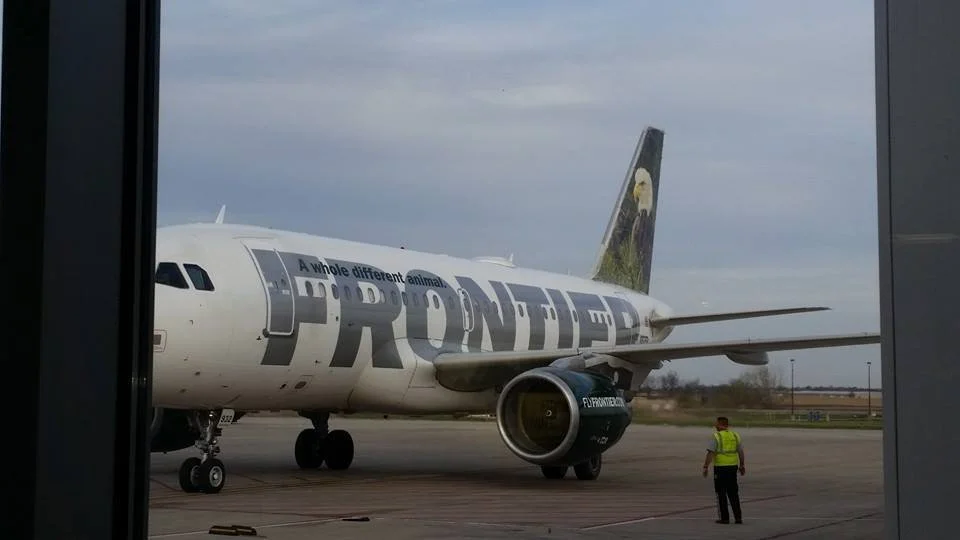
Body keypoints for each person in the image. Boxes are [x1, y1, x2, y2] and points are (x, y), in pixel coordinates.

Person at [702, 416, 745, 524]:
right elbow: (740, 452)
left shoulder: (716, 436)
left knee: (721, 493)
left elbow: (710, 453)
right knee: (733, 493)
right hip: (732, 467)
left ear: (721, 424)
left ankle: (724, 518)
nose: (715, 425)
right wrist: (742, 465)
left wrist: (706, 466)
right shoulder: (735, 435)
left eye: (716, 424)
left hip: (720, 468)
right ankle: (738, 517)